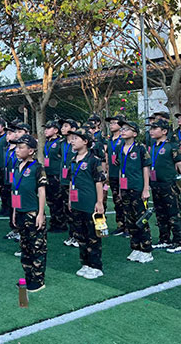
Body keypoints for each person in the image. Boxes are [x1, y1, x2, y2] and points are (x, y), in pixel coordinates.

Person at [67, 127, 106, 280]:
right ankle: (85, 263)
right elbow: (71, 180)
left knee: (93, 236)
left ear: (85, 141)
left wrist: (100, 202)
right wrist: (70, 199)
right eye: (72, 138)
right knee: (80, 235)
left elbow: (98, 182)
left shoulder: (93, 160)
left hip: (90, 204)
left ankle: (96, 266)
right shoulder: (73, 160)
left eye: (76, 138)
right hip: (77, 203)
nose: (72, 141)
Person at [10, 134, 48, 292]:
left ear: (31, 151)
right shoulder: (16, 166)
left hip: (32, 212)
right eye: (16, 147)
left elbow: (42, 191)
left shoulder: (37, 168)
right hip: (20, 212)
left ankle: (38, 280)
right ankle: (28, 276)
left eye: (21, 147)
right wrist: (14, 210)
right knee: (24, 246)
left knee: (37, 247)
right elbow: (15, 190)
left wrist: (40, 213)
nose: (17, 150)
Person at [148, 120, 181, 254]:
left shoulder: (172, 146)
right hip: (156, 184)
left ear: (164, 131)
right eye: (151, 128)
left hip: (169, 184)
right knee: (160, 214)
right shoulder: (152, 147)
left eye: (155, 128)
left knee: (173, 213)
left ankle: (179, 242)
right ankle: (164, 239)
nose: (151, 131)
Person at [114, 120, 153, 264]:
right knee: (129, 219)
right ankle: (136, 247)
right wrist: (120, 188)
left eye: (127, 129)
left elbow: (145, 169)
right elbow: (120, 169)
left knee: (141, 218)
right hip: (125, 188)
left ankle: (146, 249)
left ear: (135, 133)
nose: (123, 131)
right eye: (122, 129)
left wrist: (145, 188)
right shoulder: (120, 148)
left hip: (137, 188)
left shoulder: (140, 148)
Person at [104, 115, 126, 236]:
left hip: (122, 175)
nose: (111, 125)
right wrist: (107, 173)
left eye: (114, 122)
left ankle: (128, 226)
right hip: (112, 174)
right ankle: (120, 224)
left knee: (124, 200)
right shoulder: (110, 140)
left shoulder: (123, 139)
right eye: (110, 123)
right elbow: (108, 156)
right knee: (117, 201)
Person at [58, 119, 79, 247]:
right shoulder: (62, 143)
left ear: (74, 129)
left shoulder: (77, 144)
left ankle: (78, 235)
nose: (62, 128)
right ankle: (72, 234)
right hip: (64, 181)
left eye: (66, 126)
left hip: (75, 182)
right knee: (67, 208)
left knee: (76, 209)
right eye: (62, 126)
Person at [42, 120, 64, 232]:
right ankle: (54, 222)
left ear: (55, 130)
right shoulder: (47, 142)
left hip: (57, 175)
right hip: (48, 174)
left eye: (48, 128)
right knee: (50, 200)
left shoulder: (60, 142)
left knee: (58, 200)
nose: (45, 130)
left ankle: (60, 223)